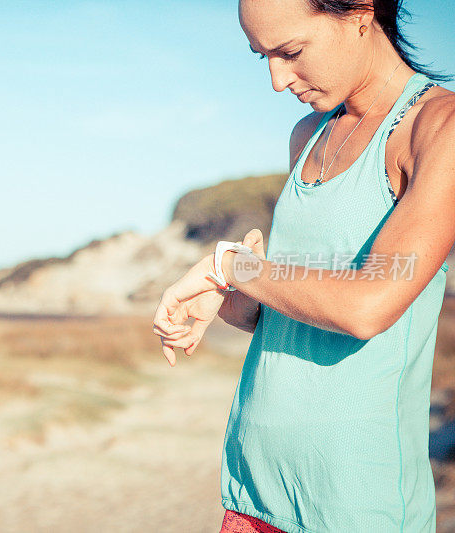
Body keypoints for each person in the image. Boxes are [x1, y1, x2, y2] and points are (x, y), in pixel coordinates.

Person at [152, 0, 455, 531]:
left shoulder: (439, 126)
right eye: (261, 57)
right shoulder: (306, 136)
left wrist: (233, 265)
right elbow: (299, 308)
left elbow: (367, 305)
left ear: (361, 13)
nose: (276, 80)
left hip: (355, 505)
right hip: (253, 488)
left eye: (290, 52)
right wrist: (236, 299)